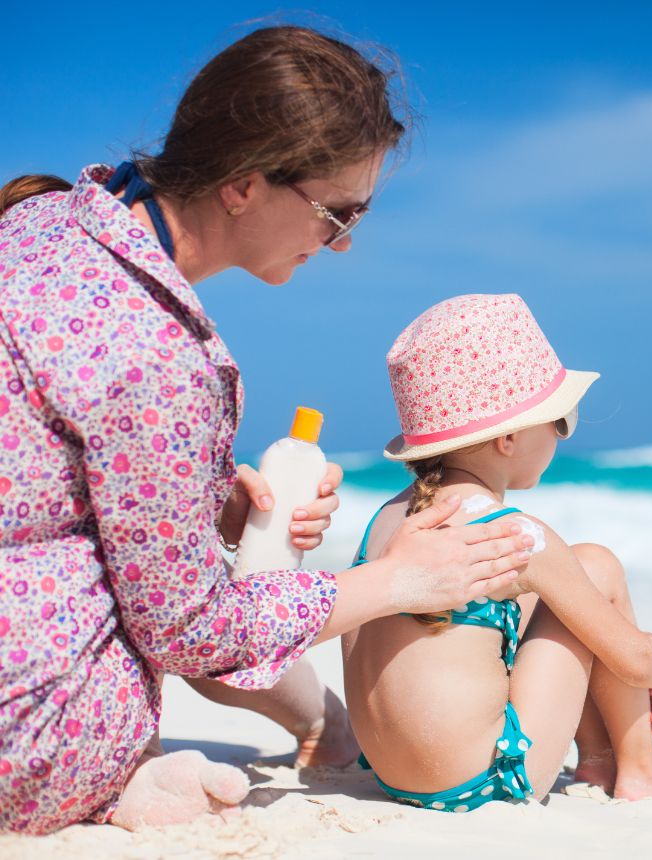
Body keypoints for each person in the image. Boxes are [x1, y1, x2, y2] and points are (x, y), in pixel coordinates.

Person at [0, 26, 532, 834]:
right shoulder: (157, 358)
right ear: (243, 186)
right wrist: (399, 581)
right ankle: (104, 788)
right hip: (25, 738)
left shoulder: (41, 222)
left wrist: (206, 498)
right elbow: (187, 630)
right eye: (337, 212)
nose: (347, 242)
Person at [343, 293, 652, 811]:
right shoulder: (515, 535)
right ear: (510, 437)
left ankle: (599, 758)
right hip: (482, 786)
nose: (563, 436)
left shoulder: (391, 518)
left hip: (394, 776)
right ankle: (641, 766)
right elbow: (636, 661)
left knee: (551, 597)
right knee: (596, 568)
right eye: (560, 421)